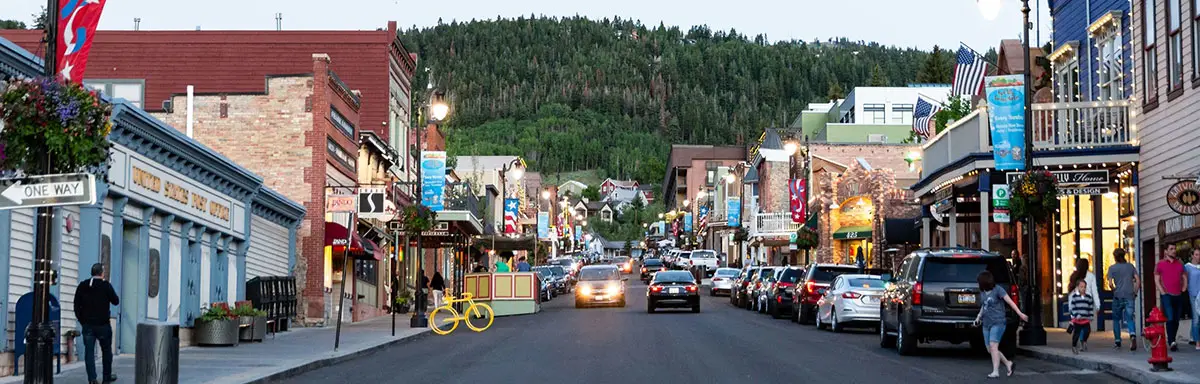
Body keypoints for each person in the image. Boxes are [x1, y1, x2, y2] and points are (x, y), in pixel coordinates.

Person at [974, 270, 1028, 379]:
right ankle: (1008, 363)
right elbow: (984, 306)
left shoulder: (998, 290)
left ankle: (995, 371)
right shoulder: (983, 292)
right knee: (990, 349)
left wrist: (1020, 313)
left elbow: (1010, 302)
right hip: (986, 324)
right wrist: (978, 317)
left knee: (994, 346)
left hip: (998, 322)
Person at [74, 263, 119, 384]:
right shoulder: (105, 286)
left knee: (89, 352)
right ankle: (106, 377)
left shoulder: (83, 285)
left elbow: (76, 304)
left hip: (88, 325)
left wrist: (82, 320)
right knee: (106, 352)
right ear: (102, 273)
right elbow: (116, 301)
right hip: (103, 324)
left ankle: (92, 379)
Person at [1156, 243, 1188, 351]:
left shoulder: (1180, 263)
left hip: (1178, 294)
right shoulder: (1160, 264)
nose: (1174, 251)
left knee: (1176, 319)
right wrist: (1162, 291)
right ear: (1166, 251)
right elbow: (1156, 278)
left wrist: (1184, 287)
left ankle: (1173, 339)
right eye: (1171, 249)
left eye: (1174, 249)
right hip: (1167, 295)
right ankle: (1171, 341)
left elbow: (1184, 276)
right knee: (1170, 317)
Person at [1107, 248, 1139, 351]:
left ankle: (1117, 341)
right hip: (1129, 295)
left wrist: (1114, 290)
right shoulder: (1130, 266)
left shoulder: (1112, 268)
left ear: (1115, 257)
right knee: (1130, 318)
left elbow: (1110, 283)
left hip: (1118, 296)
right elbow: (1138, 280)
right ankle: (1132, 335)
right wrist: (1135, 292)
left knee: (1116, 319)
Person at [1067, 258, 1100, 331]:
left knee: (1077, 321)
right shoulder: (1091, 276)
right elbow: (1094, 291)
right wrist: (1097, 305)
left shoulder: (1074, 275)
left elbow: (1071, 292)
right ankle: (1082, 337)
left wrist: (1070, 307)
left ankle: (1076, 331)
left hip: (1075, 302)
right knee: (1085, 322)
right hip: (1086, 302)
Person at [1068, 279, 1096, 354]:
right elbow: (1072, 307)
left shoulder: (1088, 297)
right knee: (1076, 334)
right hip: (1078, 320)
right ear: (1077, 288)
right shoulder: (1075, 297)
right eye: (1081, 287)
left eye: (1084, 287)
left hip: (1085, 319)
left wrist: (1091, 316)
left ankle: (1084, 341)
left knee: (1087, 331)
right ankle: (1074, 346)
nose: (1083, 288)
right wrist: (1076, 315)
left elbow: (1090, 307)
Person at [1186, 249, 1200, 349]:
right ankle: (1197, 342)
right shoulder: (1187, 267)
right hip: (1193, 294)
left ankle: (1192, 336)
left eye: (1199, 254)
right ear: (1192, 256)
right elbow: (1184, 279)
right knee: (1196, 318)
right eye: (1196, 254)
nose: (1198, 256)